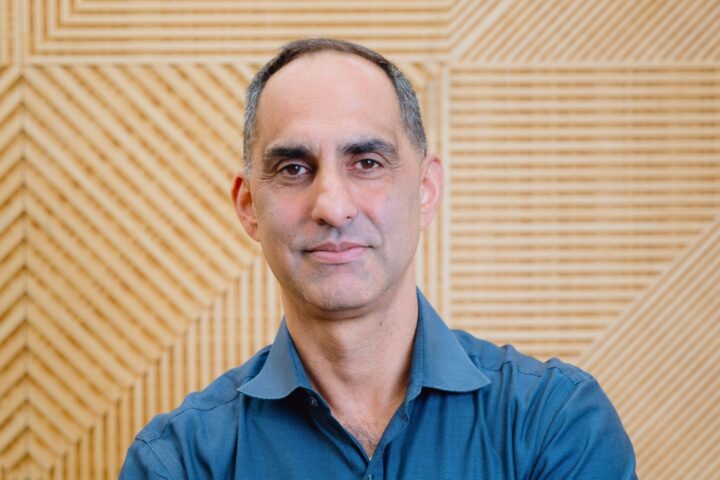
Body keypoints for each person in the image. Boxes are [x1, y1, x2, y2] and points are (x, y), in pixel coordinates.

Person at [120, 38, 636, 479]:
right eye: (294, 168)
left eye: (367, 162)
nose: (332, 207)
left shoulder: (554, 423)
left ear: (426, 190)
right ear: (249, 205)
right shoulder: (180, 461)